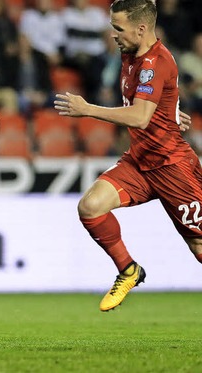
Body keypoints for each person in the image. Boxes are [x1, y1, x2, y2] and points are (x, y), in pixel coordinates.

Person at [54, 0, 197, 312]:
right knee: (91, 207)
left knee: (198, 246)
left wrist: (87, 109)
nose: (113, 34)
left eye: (118, 28)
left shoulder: (155, 61)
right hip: (140, 163)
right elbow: (153, 104)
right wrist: (171, 113)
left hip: (173, 166)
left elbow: (140, 117)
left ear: (141, 28)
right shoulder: (129, 54)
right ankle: (129, 270)